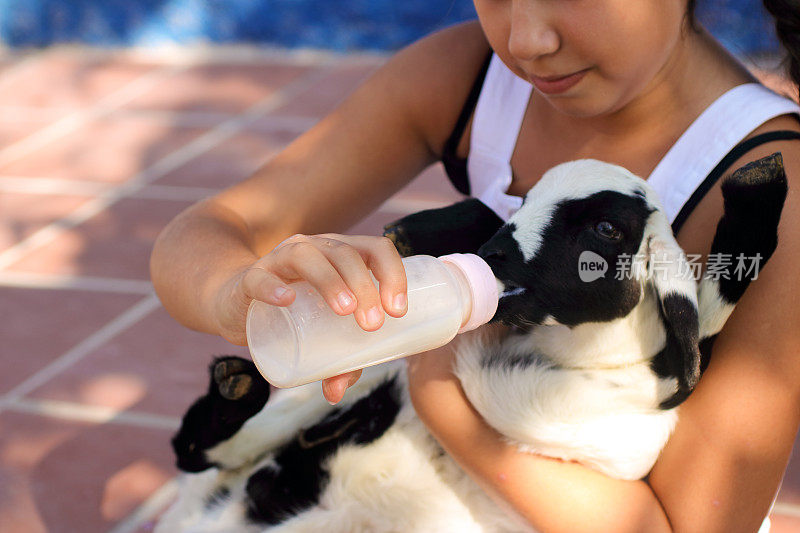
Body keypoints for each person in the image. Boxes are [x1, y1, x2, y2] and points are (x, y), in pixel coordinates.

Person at [150, 1, 800, 530]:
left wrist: (446, 392)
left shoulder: (772, 192)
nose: (527, 38)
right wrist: (237, 291)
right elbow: (209, 232)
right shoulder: (470, 75)